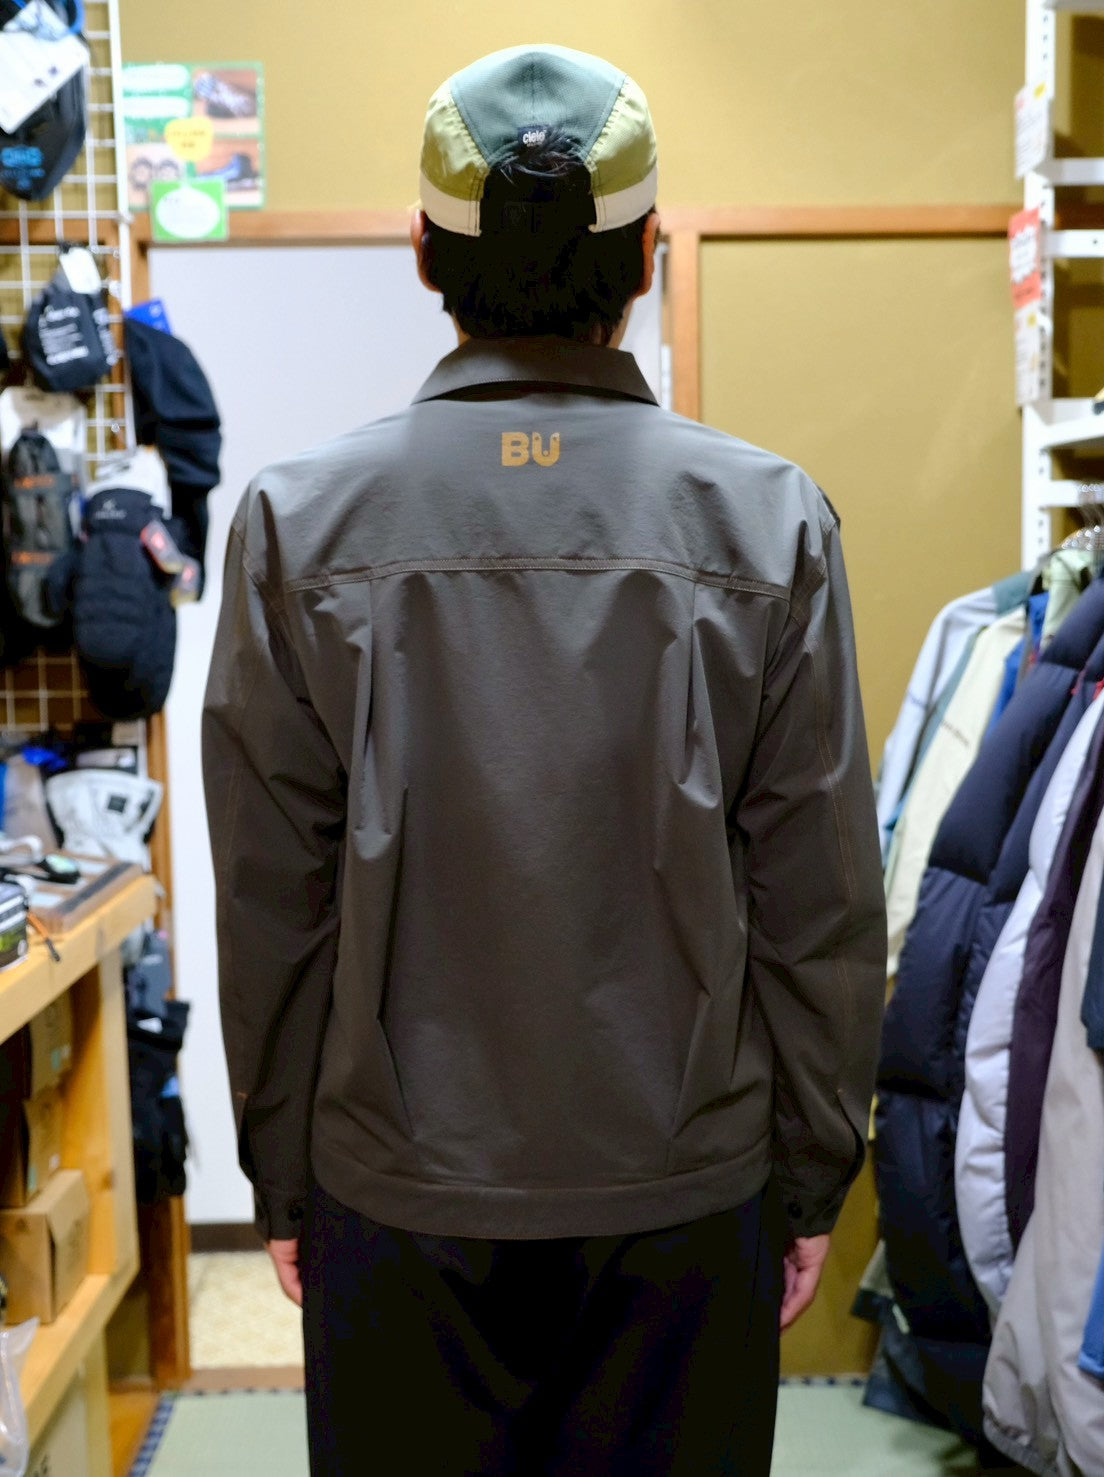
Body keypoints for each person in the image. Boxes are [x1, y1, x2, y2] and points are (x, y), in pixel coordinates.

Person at [202, 42, 886, 1477]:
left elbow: (273, 897)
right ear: (647, 250)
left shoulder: (295, 523)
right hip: (687, 1185)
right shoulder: (770, 521)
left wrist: (284, 1169)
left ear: (423, 253)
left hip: (395, 1188)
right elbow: (819, 898)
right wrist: (812, 1171)